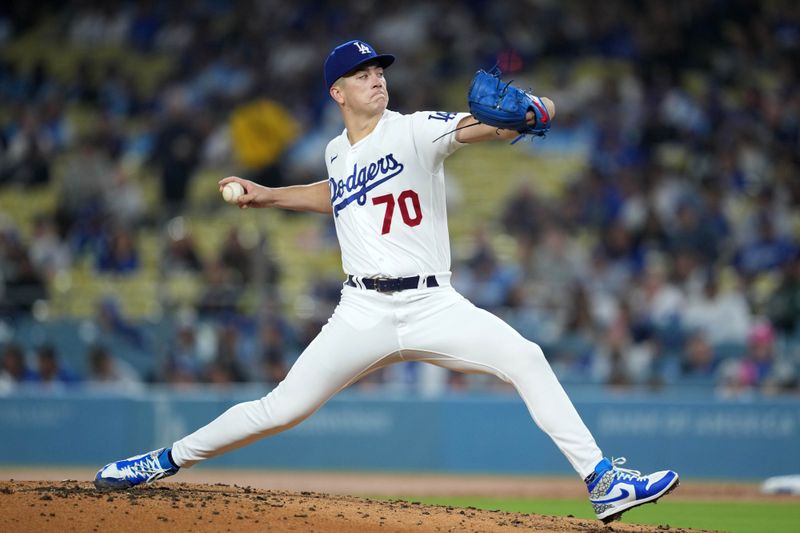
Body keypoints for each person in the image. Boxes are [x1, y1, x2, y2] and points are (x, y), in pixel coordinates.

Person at [94, 39, 679, 523]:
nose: (376, 79)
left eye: (378, 70)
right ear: (337, 91)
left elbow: (489, 128)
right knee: (280, 409)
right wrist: (269, 194)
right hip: (360, 311)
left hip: (432, 301)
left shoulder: (417, 129)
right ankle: (162, 460)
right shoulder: (333, 154)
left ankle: (602, 481)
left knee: (525, 357)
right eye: (362, 73)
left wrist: (536, 109)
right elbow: (339, 196)